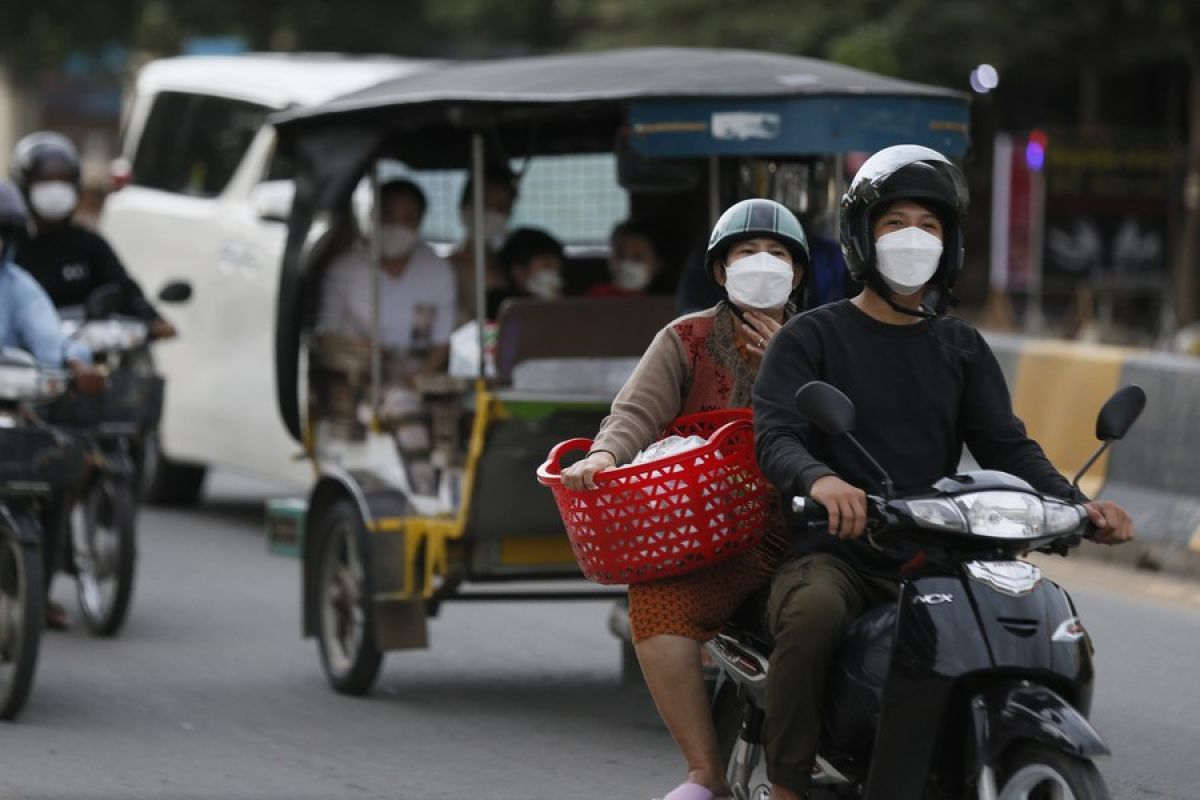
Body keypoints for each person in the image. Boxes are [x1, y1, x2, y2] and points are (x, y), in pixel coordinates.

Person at [751, 145, 1136, 800]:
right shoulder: (811, 338)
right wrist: (822, 482)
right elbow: (778, 435)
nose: (912, 240)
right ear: (861, 239)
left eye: (928, 226)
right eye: (894, 223)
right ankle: (787, 784)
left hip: (937, 553)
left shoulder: (959, 345)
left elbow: (1005, 445)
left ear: (950, 244)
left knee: (1030, 620)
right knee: (813, 615)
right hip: (840, 551)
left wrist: (1076, 503)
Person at [561, 199, 810, 800]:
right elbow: (634, 413)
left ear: (798, 273)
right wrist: (602, 457)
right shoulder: (685, 338)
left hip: (806, 524)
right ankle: (705, 772)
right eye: (747, 253)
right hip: (711, 526)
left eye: (777, 254)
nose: (763, 264)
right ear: (720, 271)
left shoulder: (821, 339)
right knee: (656, 609)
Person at [0, 178, 103, 629]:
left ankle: (35, 593)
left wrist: (77, 364)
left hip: (10, 410)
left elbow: (51, 339)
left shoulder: (18, 287)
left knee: (56, 470)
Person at [317, 178, 457, 496]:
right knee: (400, 405)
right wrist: (361, 354)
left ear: (420, 222)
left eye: (407, 218)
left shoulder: (435, 270)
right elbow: (326, 335)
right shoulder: (346, 269)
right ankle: (424, 488)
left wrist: (420, 376)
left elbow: (442, 340)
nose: (397, 226)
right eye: (389, 216)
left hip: (419, 372)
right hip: (361, 375)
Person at [10, 132, 175, 338]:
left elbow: (123, 288)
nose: (55, 191)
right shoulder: (11, 246)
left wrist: (152, 319)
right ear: (23, 186)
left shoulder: (88, 244)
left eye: (63, 181)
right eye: (45, 181)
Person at [450, 164, 518, 323]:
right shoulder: (446, 267)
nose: (492, 214)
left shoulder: (513, 264)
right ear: (464, 207)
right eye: (485, 204)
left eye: (501, 207)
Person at [485, 227, 565, 318]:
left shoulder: (567, 301)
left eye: (557, 268)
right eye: (547, 266)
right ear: (518, 271)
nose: (554, 275)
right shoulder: (499, 306)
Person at [587, 220, 667, 297]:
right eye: (620, 254)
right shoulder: (597, 295)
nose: (626, 263)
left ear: (657, 264)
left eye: (637, 257)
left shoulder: (667, 301)